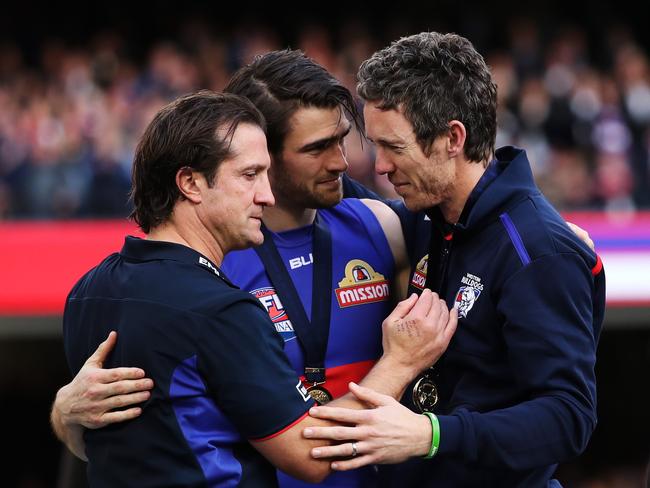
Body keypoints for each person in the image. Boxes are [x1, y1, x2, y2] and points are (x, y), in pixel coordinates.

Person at [54, 88, 457, 487]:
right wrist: (399, 364)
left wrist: (63, 416)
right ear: (190, 183)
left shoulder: (87, 290)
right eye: (249, 176)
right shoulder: (222, 310)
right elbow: (311, 454)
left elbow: (117, 438)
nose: (265, 195)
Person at [303, 32, 606, 487]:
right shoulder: (426, 214)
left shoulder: (537, 250)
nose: (379, 166)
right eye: (375, 145)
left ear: (452, 138)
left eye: (394, 148)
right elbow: (339, 195)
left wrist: (432, 434)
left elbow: (568, 417)